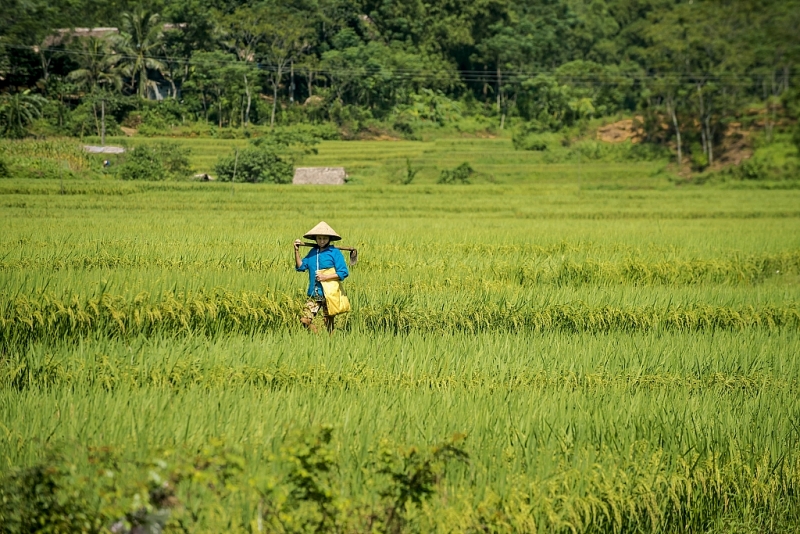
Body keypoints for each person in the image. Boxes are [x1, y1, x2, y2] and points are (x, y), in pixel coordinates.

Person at [294, 221, 349, 333]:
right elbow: (301, 267)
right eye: (319, 238)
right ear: (315, 239)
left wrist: (325, 277)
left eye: (324, 238)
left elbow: (343, 272)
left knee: (328, 323)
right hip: (314, 293)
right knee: (304, 320)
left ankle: (329, 343)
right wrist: (296, 251)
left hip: (329, 294)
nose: (322, 241)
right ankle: (318, 335)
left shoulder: (334, 252)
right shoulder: (313, 252)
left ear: (329, 239)